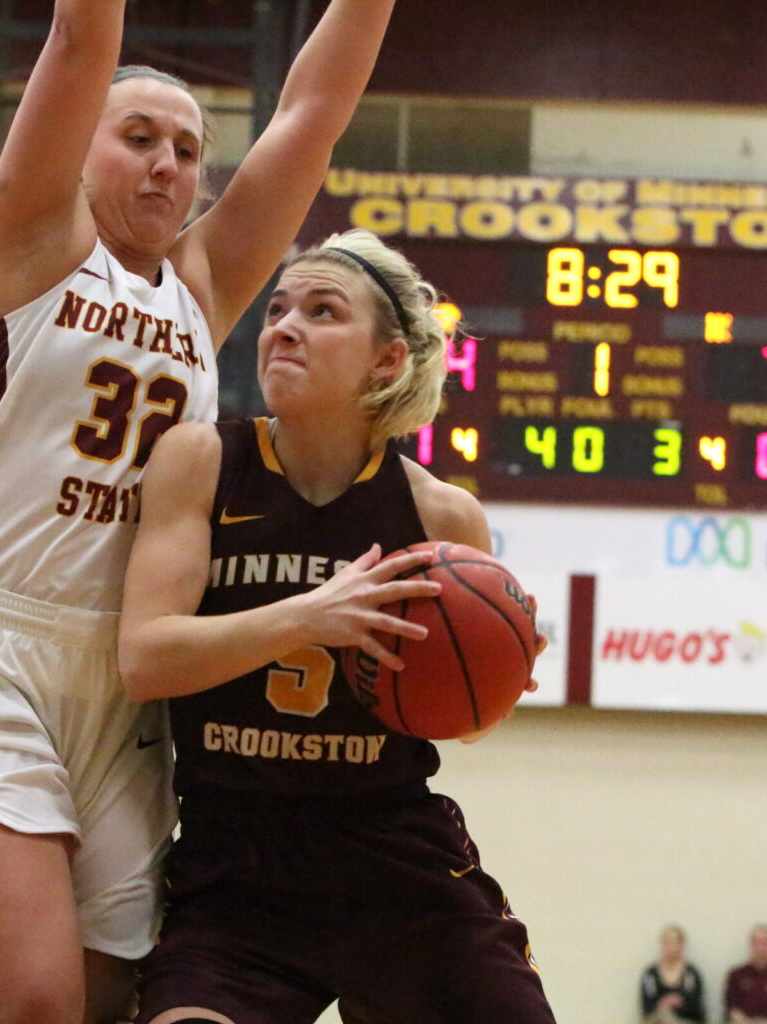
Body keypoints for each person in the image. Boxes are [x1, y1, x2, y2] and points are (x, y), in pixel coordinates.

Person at [0, 2, 397, 1021]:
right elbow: (80, 40)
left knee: (112, 1006)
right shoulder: (33, 239)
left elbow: (312, 115)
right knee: (35, 1000)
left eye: (188, 151)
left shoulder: (202, 284)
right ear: (80, 150)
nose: (166, 165)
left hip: (124, 690)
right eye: (139, 137)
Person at [116, 228, 556, 1024]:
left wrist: (495, 684)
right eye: (277, 310)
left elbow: (461, 725)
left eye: (321, 311)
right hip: (235, 871)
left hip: (394, 864)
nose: (284, 327)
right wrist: (308, 617)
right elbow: (145, 658)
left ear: (386, 360)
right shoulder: (202, 461)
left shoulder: (440, 514)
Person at [639, 925, 706, 1023]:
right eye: (668, 942)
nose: (673, 948)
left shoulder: (691, 973)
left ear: (682, 945)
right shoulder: (650, 974)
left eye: (676, 942)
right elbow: (647, 1007)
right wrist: (663, 1003)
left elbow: (697, 1007)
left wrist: (680, 1002)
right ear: (662, 945)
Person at [724, 925, 767, 1023]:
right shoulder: (736, 974)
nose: (760, 947)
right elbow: (732, 1007)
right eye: (756, 943)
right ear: (750, 946)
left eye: (764, 943)